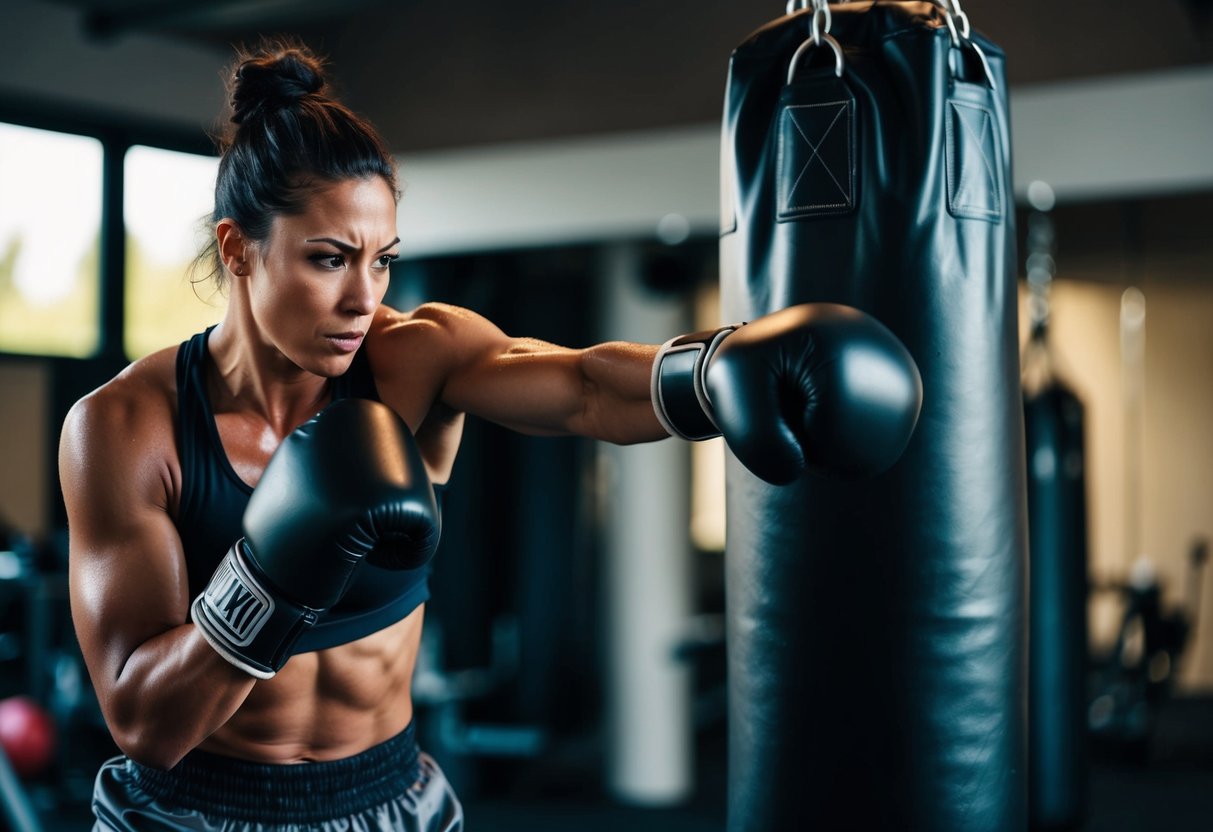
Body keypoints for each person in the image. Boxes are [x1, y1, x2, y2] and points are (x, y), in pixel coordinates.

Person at [59, 41, 921, 831]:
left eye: (382, 257)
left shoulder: (412, 357)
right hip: (194, 813)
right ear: (238, 250)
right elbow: (144, 724)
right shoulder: (127, 427)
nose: (365, 297)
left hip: (389, 799)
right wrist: (269, 576)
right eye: (330, 258)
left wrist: (704, 372)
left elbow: (582, 386)